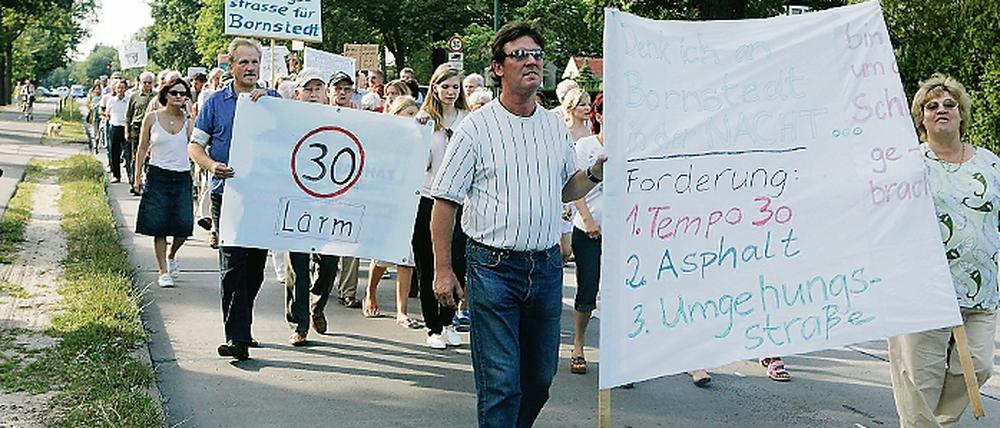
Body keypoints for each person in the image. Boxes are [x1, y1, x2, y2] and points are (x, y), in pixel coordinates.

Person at [429, 22, 604, 427]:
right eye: (520, 55)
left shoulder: (553, 126)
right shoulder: (476, 128)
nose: (532, 62)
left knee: (539, 380)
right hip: (492, 269)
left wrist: (595, 173)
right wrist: (443, 269)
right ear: (497, 67)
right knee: (501, 384)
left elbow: (567, 188)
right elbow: (445, 202)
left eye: (537, 55)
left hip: (545, 268)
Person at [888, 73, 999, 428]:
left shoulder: (990, 164)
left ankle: (937, 422)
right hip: (922, 292)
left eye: (949, 104)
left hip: (980, 289)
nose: (941, 109)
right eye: (931, 106)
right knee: (920, 382)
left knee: (978, 366)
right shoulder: (906, 163)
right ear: (921, 118)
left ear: (961, 114)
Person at [188, 37, 278, 361]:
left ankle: (242, 323)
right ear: (232, 65)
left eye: (255, 62)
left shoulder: (274, 99)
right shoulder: (215, 102)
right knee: (232, 265)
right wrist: (212, 165)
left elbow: (291, 137)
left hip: (262, 197)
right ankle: (237, 338)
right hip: (226, 195)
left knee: (254, 270)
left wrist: (271, 106)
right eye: (244, 62)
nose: (250, 68)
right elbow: (195, 146)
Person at [282, 68, 343, 346]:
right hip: (296, 201)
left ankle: (317, 306)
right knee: (297, 265)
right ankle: (299, 323)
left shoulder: (342, 119)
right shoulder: (288, 119)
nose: (313, 93)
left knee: (329, 263)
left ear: (326, 93)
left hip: (330, 203)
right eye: (308, 89)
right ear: (298, 93)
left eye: (318, 88)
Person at [415, 63, 470, 349]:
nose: (450, 92)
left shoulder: (468, 120)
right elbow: (417, 162)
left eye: (455, 87)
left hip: (460, 201)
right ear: (434, 88)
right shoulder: (425, 120)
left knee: (457, 262)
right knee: (428, 263)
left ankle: (449, 321)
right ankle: (433, 326)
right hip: (428, 198)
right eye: (445, 86)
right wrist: (419, 131)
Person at [363, 95, 425, 329]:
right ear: (397, 114)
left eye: (415, 113)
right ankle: (370, 292)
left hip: (412, 200)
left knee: (406, 258)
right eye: (409, 114)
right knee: (382, 257)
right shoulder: (384, 137)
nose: (413, 118)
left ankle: (402, 311)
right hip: (387, 201)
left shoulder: (422, 138)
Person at [133, 77, 195, 288]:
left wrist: (189, 114)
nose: (178, 97)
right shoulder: (152, 118)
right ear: (165, 95)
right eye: (174, 93)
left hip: (182, 176)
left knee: (184, 226)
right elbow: (142, 147)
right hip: (158, 175)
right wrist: (137, 177)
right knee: (159, 226)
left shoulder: (188, 120)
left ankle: (172, 254)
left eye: (183, 94)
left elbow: (195, 144)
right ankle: (163, 271)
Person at [569, 92, 603, 375]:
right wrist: (588, 219)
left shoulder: (631, 147)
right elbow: (575, 186)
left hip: (621, 232)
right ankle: (578, 344)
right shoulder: (586, 145)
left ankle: (619, 356)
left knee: (619, 294)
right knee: (587, 289)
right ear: (599, 116)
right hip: (588, 230)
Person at [326, 71, 362, 308]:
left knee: (351, 239)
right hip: (320, 187)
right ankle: (321, 282)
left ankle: (348, 290)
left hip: (350, 186)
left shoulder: (361, 119)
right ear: (329, 92)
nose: (342, 92)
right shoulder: (315, 115)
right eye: (338, 88)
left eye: (347, 89)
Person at [125, 72, 157, 195]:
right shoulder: (134, 96)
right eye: (145, 82)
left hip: (152, 128)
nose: (147, 85)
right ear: (140, 83)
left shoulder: (157, 96)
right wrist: (127, 131)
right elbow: (129, 115)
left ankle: (148, 182)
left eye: (150, 83)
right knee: (136, 155)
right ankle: (135, 182)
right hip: (137, 127)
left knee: (150, 156)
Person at [102, 79, 130, 183]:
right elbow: (108, 114)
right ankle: (116, 175)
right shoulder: (111, 101)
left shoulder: (129, 100)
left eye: (122, 88)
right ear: (115, 89)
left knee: (128, 153)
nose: (120, 90)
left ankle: (131, 175)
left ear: (126, 89)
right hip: (114, 127)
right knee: (114, 153)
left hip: (125, 127)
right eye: (118, 88)